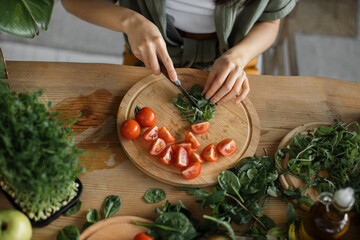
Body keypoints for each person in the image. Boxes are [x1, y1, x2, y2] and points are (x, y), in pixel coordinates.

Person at [62, 0, 296, 104]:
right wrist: (130, 22)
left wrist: (239, 56)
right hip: (148, 56)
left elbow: (270, 22)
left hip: (237, 61)